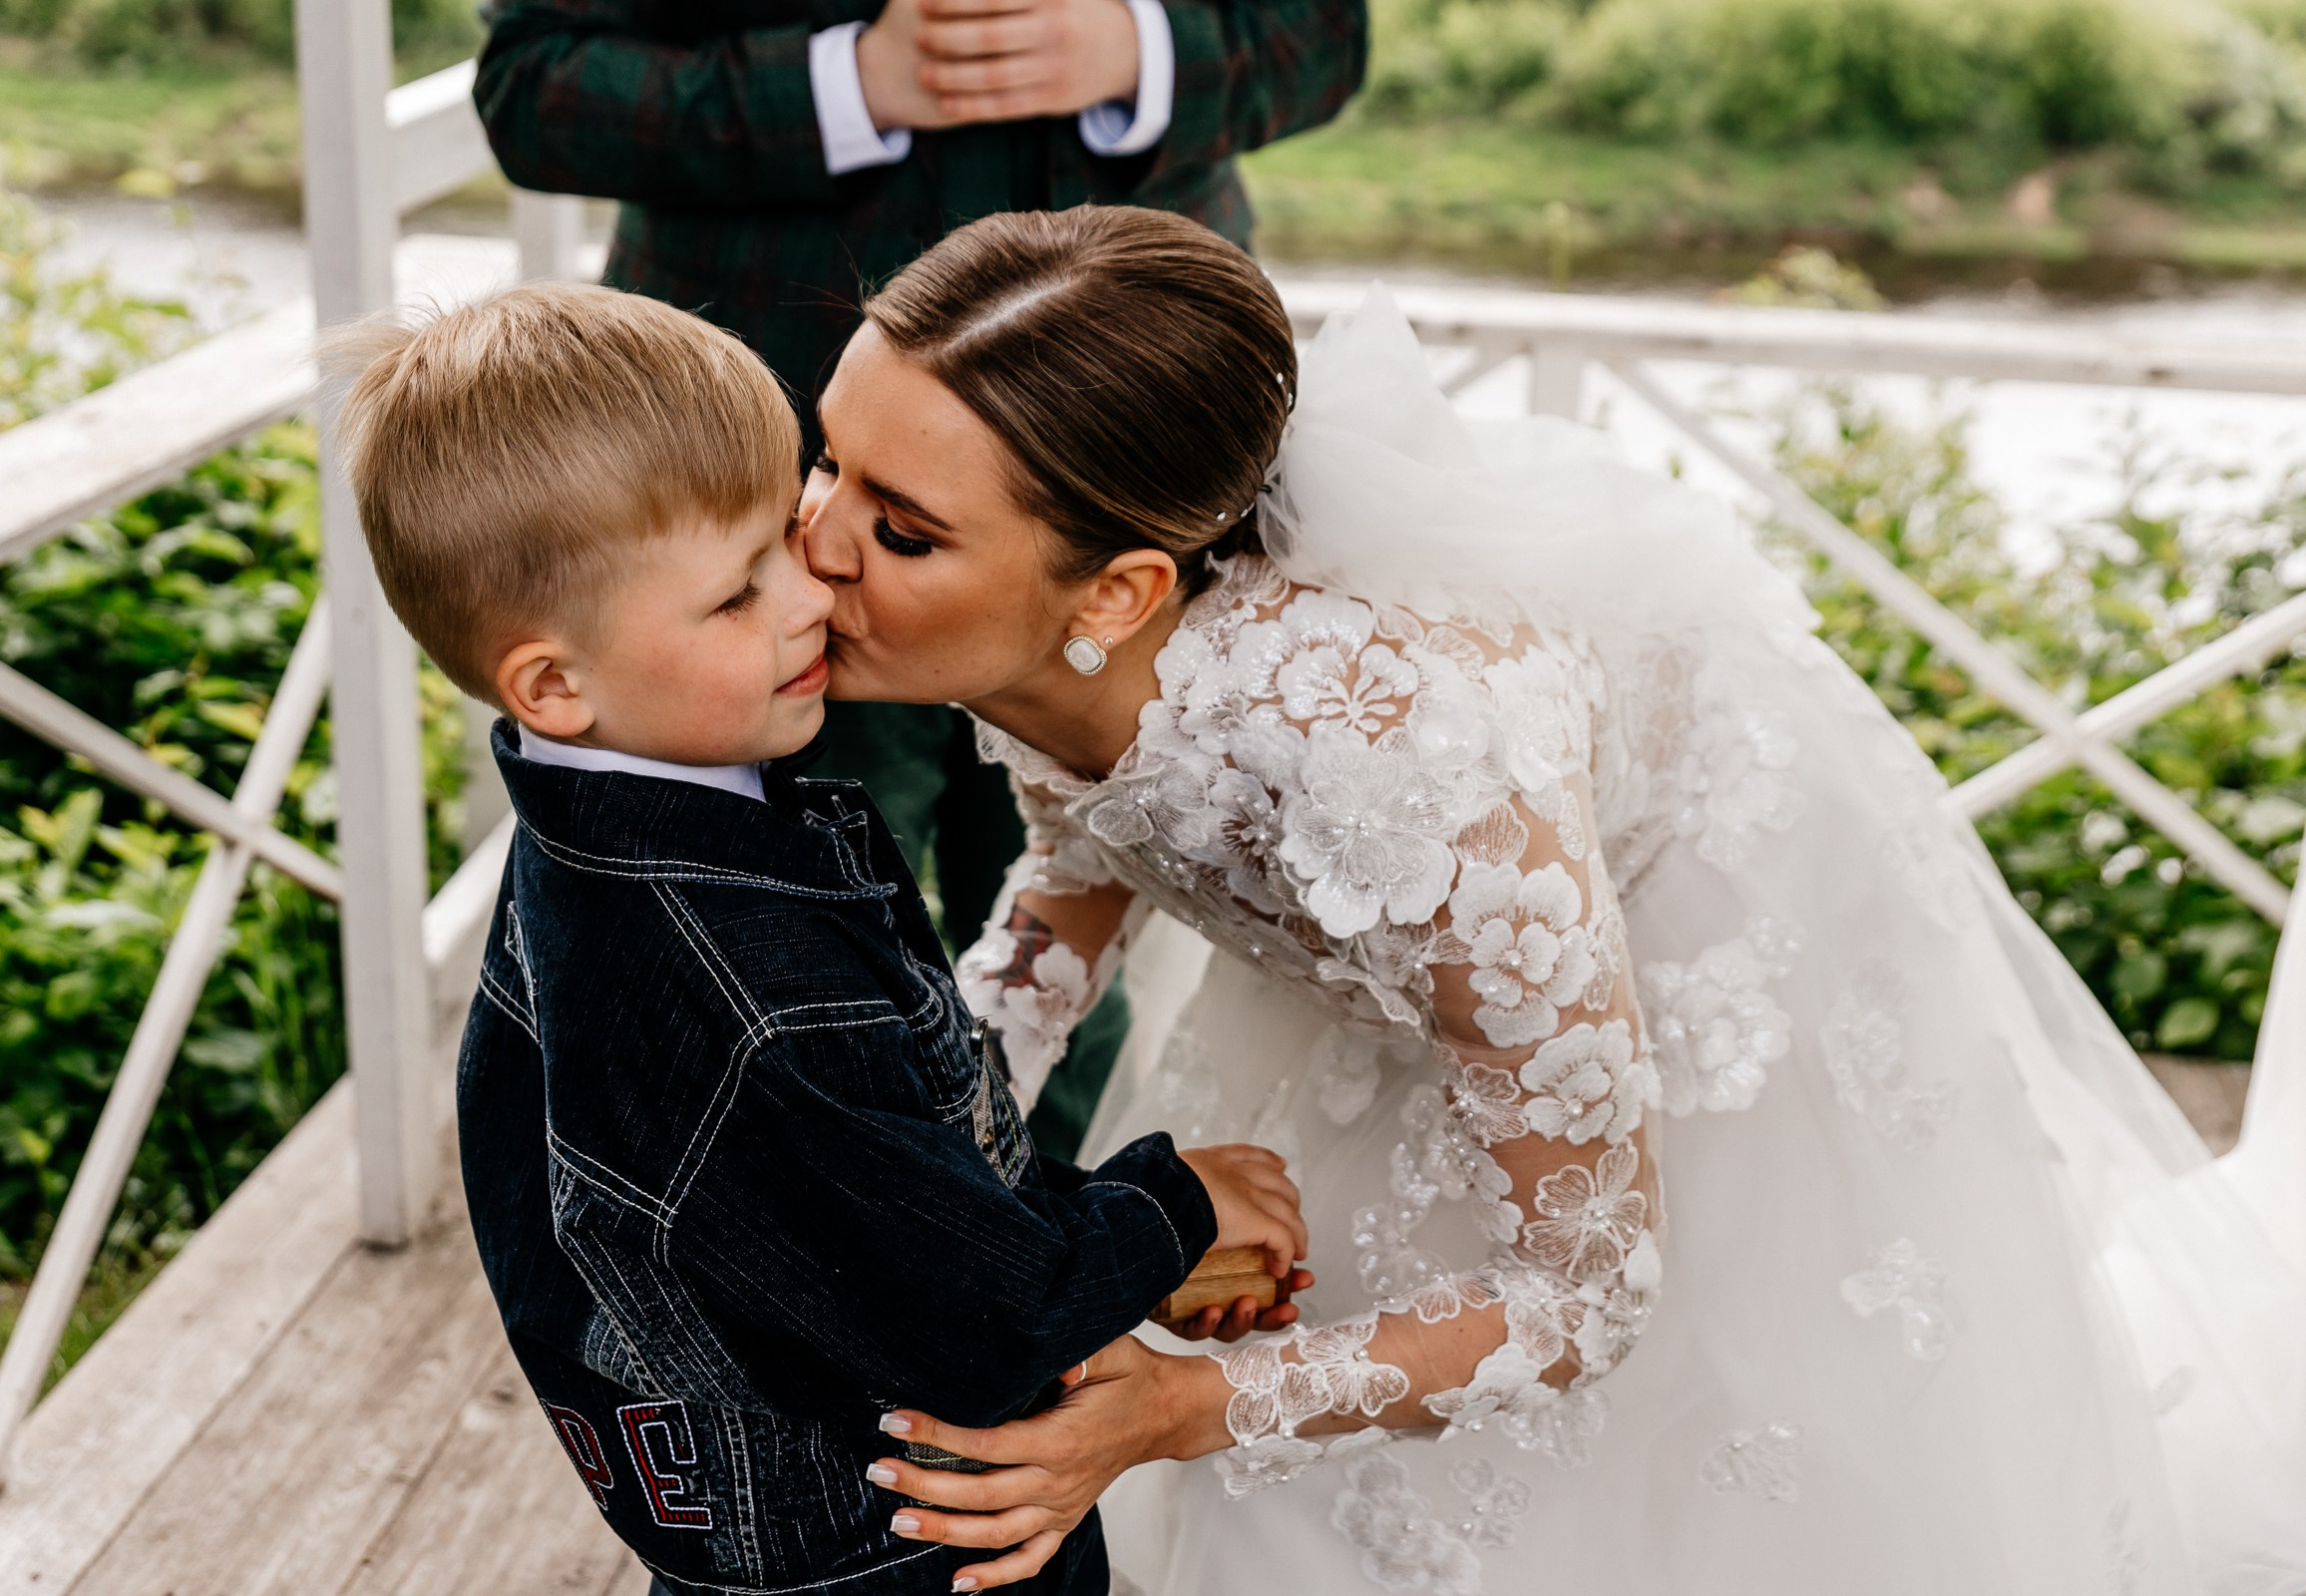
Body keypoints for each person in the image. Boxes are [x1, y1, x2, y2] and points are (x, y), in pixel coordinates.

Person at [792, 205, 2306, 1593]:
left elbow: (1589, 1291)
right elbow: (1068, 889)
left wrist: (1185, 1403)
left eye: (902, 528)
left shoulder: (1421, 779)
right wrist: (907, 1190)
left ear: (1116, 594)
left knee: (1674, 1447)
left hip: (1658, 937)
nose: (815, 538)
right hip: (1406, 969)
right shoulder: (1041, 648)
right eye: (827, 459)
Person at [324, 280, 1313, 1596]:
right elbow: (976, 1322)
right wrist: (1169, 1210)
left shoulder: (598, 825)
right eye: (738, 597)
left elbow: (864, 1197)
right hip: (904, 1549)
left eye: (786, 527)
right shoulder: (743, 994)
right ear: (554, 683)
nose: (811, 597)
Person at [471, 0, 1369, 1157]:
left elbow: (1321, 36)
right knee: (771, 950)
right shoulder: (809, 536)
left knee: (1079, 921)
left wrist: (1140, 53)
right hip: (769, 455)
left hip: (1119, 465)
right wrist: (844, 86)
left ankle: (1038, 1256)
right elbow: (532, 85)